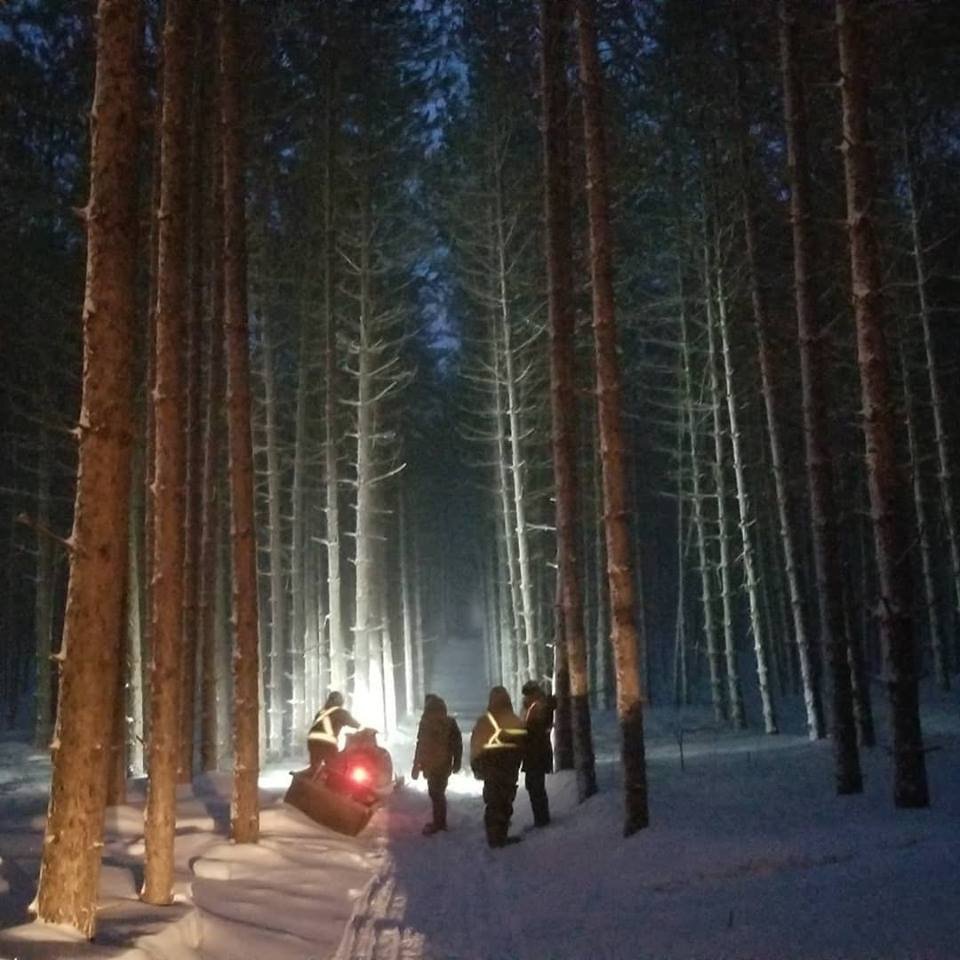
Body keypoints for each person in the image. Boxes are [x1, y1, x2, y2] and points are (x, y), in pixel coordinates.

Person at [470, 686, 526, 848]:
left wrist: (476, 765)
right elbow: (523, 744)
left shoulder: (485, 721)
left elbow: (476, 744)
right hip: (509, 770)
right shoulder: (514, 720)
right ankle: (500, 836)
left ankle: (494, 837)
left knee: (493, 803)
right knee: (506, 803)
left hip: (490, 769)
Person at [412, 694, 463, 836]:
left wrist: (416, 765)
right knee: (439, 792)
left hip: (430, 763)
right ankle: (440, 822)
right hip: (444, 763)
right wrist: (457, 761)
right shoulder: (450, 722)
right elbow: (457, 745)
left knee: (435, 793)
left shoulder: (426, 722)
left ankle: (439, 823)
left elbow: (420, 745)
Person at [521, 680, 555, 828]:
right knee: (533, 785)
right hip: (533, 752)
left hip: (537, 752)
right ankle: (541, 818)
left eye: (528, 694)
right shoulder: (535, 706)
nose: (526, 697)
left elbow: (535, 729)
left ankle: (542, 819)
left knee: (536, 785)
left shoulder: (539, 707)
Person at [307, 691, 360, 777]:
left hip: (312, 742)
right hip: (326, 743)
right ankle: (331, 786)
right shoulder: (341, 713)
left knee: (315, 768)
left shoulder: (321, 712)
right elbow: (355, 724)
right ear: (340, 701)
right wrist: (364, 728)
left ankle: (311, 783)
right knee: (334, 768)